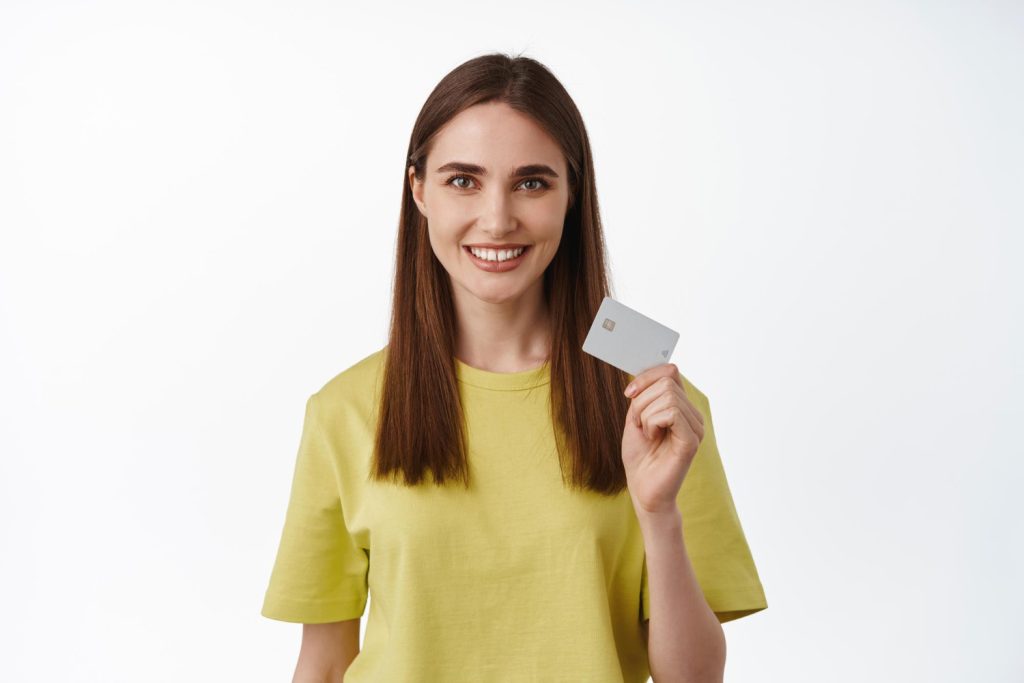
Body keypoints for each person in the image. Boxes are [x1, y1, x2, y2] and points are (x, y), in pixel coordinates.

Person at [260, 51, 767, 682]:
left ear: (571, 194)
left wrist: (658, 516)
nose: (497, 219)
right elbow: (325, 666)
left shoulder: (656, 409)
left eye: (532, 182)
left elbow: (693, 680)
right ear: (418, 189)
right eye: (462, 180)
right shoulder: (344, 411)